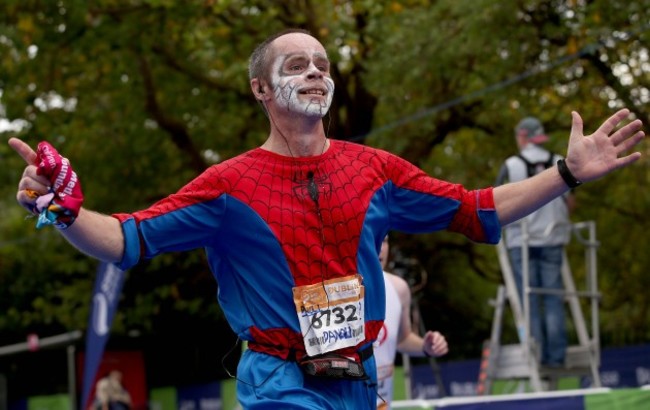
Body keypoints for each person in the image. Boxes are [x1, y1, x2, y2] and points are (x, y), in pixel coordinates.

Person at [8, 28, 645, 409]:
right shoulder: (228, 185)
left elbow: (478, 208)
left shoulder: (375, 169)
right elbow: (124, 239)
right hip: (278, 379)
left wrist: (564, 175)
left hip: (358, 377)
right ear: (261, 89)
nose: (314, 71)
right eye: (295, 65)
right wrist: (62, 209)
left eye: (322, 64)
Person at [495, 117, 574, 367]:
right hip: (552, 238)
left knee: (527, 299)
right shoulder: (559, 161)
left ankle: (536, 355)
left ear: (522, 135)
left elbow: (495, 204)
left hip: (521, 240)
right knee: (552, 297)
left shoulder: (510, 166)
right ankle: (556, 357)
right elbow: (569, 202)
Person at [374, 235, 448, 409]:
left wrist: (426, 347)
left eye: (384, 240)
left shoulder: (398, 288)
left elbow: (402, 339)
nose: (380, 247)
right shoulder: (333, 291)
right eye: (371, 238)